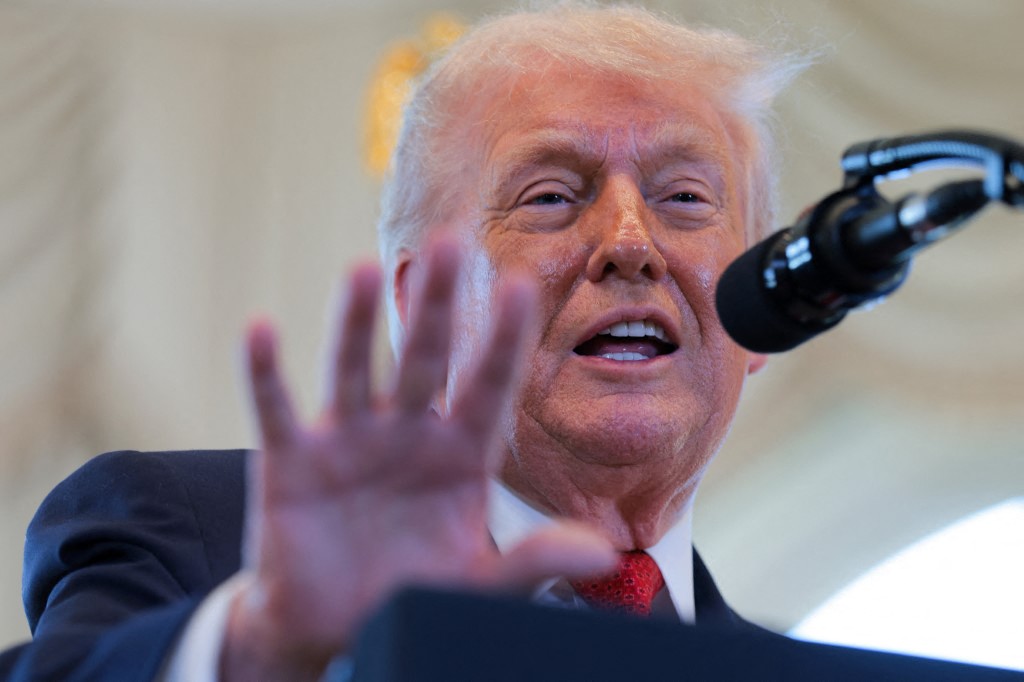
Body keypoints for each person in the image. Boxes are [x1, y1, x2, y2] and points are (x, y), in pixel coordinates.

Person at [1, 3, 805, 680]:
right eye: (552, 195)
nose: (631, 240)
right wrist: (262, 646)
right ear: (422, 299)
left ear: (761, 305)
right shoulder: (193, 536)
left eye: (686, 196)